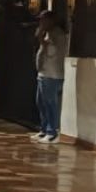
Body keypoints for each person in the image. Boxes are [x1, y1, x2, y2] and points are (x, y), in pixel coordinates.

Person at [33, 10, 69, 144]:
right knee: (41, 102)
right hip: (43, 73)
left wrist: (41, 39)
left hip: (52, 74)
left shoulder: (58, 34)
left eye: (43, 20)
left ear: (51, 20)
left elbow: (51, 51)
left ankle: (52, 132)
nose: (41, 23)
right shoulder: (49, 33)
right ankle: (44, 129)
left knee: (50, 103)